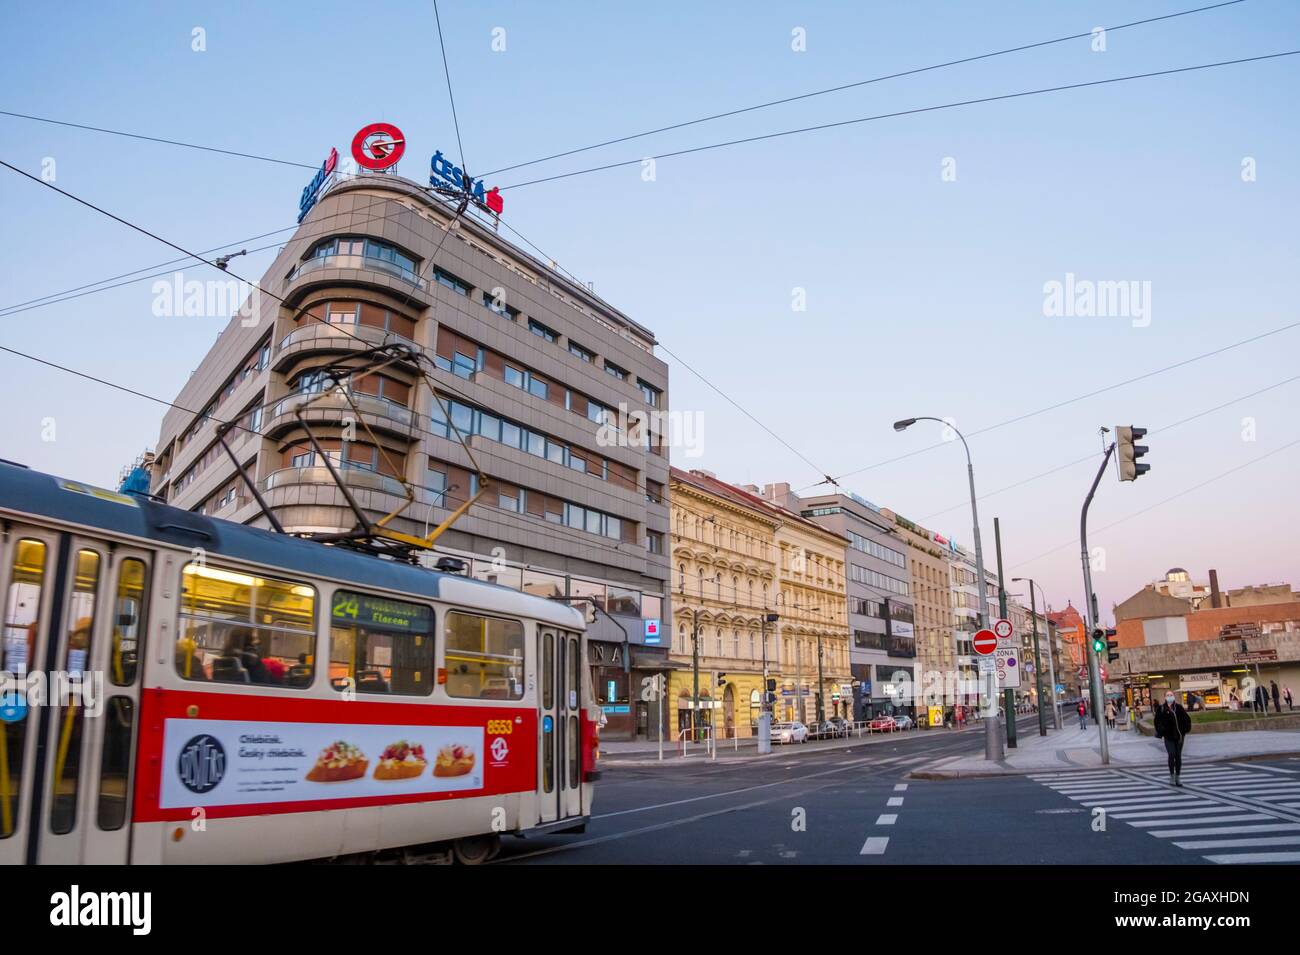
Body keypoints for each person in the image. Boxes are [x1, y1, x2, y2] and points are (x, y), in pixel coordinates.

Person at [1153, 691, 1192, 785]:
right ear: (1165, 697)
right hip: (1168, 736)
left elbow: (1187, 720)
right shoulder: (1161, 708)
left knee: (1178, 756)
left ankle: (1178, 777)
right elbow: (1156, 721)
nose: (1170, 697)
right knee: (1171, 754)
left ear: (1174, 697)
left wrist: (1184, 731)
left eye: (1171, 695)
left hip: (1179, 737)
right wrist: (1161, 731)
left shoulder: (1179, 708)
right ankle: (1172, 775)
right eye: (1168, 695)